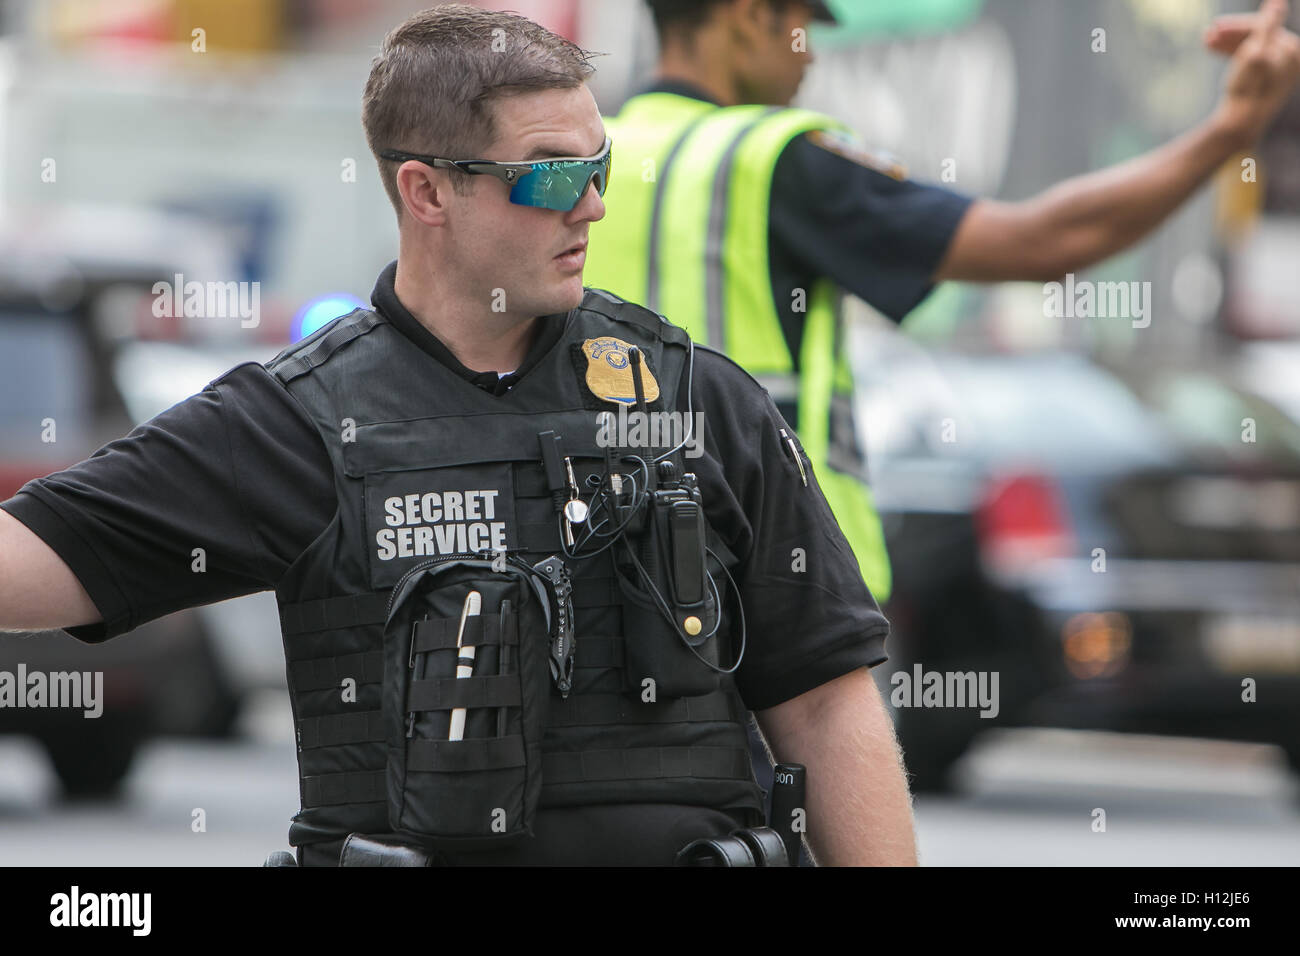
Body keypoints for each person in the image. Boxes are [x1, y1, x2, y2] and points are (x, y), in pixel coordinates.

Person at [0, 5, 915, 866]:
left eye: (601, 170)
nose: (591, 206)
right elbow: (29, 565)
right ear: (427, 190)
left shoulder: (696, 400)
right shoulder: (295, 423)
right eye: (553, 174)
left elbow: (829, 704)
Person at [584, 0, 1300, 603]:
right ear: (748, 17)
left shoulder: (596, 157)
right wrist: (1230, 131)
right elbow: (1045, 241)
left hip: (608, 580)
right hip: (771, 598)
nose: (810, 58)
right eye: (803, 25)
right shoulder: (776, 158)